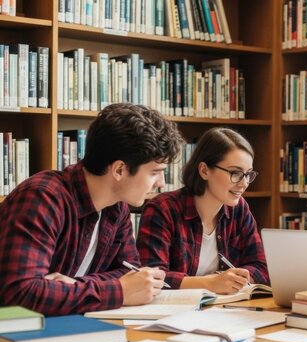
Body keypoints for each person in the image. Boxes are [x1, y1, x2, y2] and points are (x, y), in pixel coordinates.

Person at [0, 103, 183, 315]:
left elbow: (127, 270)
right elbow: (19, 294)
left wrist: (75, 286)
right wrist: (118, 291)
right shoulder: (42, 197)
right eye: (155, 172)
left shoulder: (117, 208)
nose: (160, 183)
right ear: (119, 170)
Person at [138, 127, 269, 294]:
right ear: (204, 170)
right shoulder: (163, 209)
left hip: (222, 310)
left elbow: (261, 268)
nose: (244, 184)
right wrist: (210, 283)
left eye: (248, 174)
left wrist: (230, 280)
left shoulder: (239, 209)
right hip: (174, 313)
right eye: (235, 173)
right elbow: (151, 279)